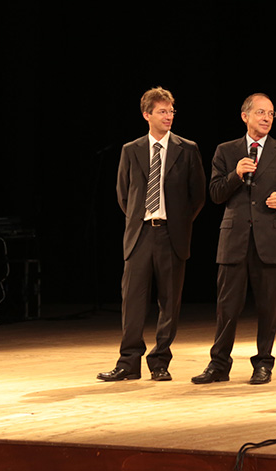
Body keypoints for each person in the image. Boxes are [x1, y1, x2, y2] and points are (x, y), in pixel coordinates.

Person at [192, 93, 276, 385]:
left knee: (268, 308)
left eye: (271, 113)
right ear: (245, 116)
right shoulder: (225, 150)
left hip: (271, 240)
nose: (267, 118)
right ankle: (219, 364)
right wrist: (236, 175)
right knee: (227, 308)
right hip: (235, 239)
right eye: (261, 112)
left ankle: (263, 363)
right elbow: (215, 194)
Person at [97, 87, 206, 382]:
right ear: (147, 115)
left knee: (169, 302)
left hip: (171, 234)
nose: (168, 116)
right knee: (132, 301)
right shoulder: (131, 150)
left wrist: (178, 223)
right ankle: (128, 362)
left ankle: (160, 362)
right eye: (162, 111)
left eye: (171, 111)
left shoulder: (187, 149)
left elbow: (197, 196)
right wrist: (141, 219)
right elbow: (123, 194)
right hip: (140, 234)